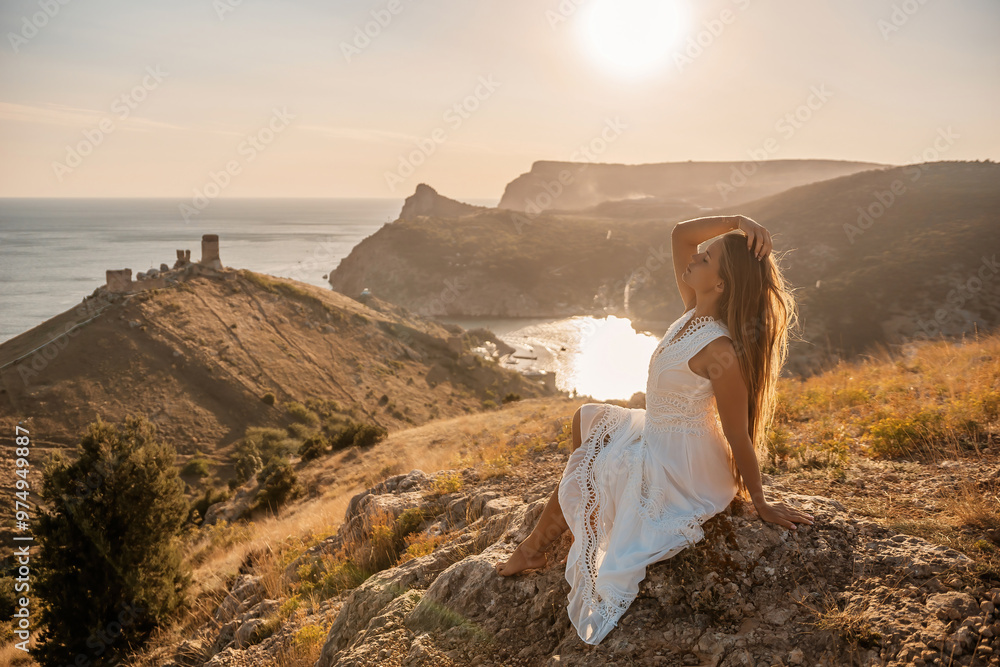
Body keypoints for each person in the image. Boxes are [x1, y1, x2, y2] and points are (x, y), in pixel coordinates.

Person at [493, 214, 815, 645]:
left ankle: (534, 548)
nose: (694, 258)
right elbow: (681, 233)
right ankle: (555, 537)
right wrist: (738, 222)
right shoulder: (690, 313)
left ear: (719, 285)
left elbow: (738, 435)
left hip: (683, 465)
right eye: (701, 255)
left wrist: (759, 500)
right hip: (658, 432)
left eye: (706, 259)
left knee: (601, 456)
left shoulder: (719, 349)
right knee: (587, 420)